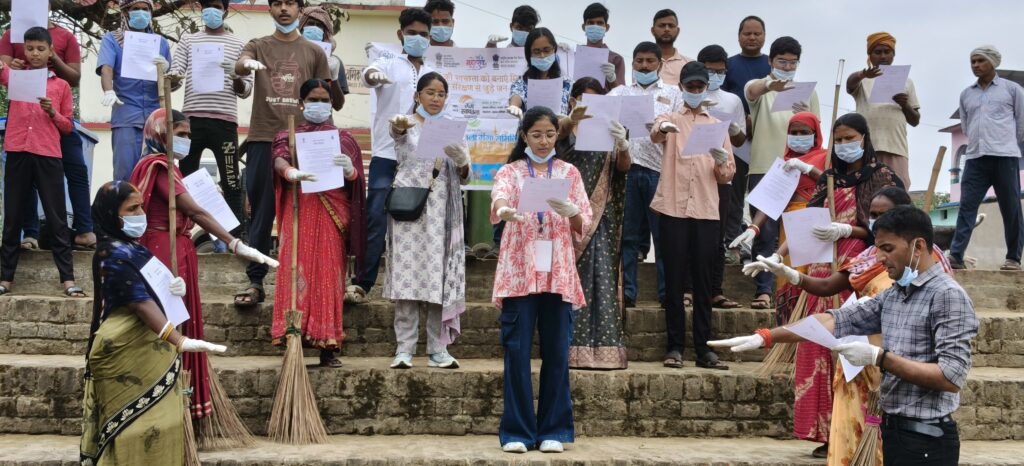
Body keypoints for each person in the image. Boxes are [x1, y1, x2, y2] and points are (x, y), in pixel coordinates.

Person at [714, 205, 978, 466]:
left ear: (918, 246)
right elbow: (835, 320)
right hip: (896, 433)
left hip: (927, 440)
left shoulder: (947, 296)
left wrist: (880, 357)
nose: (880, 259)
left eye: (888, 249)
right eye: (878, 249)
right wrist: (766, 337)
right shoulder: (897, 293)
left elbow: (951, 376)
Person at [742, 113, 903, 457]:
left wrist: (849, 231)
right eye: (839, 139)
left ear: (864, 137)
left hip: (860, 269)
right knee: (817, 346)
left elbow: (889, 227)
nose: (845, 145)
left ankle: (856, 426)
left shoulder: (881, 177)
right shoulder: (830, 176)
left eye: (850, 138)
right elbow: (805, 221)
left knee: (849, 351)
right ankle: (825, 431)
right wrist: (775, 257)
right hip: (821, 268)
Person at [128, 107, 275, 436]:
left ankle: (184, 408)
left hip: (180, 248)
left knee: (184, 320)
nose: (187, 141)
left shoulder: (174, 169)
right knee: (170, 322)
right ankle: (163, 407)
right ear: (161, 133)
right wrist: (234, 243)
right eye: (180, 134)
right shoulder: (157, 166)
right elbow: (193, 210)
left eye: (189, 135)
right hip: (161, 250)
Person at [80, 180, 227, 466]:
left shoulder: (135, 249)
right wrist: (179, 340)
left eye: (141, 207)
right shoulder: (110, 253)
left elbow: (153, 291)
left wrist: (173, 288)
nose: (140, 214)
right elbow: (139, 302)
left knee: (160, 425)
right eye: (132, 208)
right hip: (124, 351)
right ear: (111, 214)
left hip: (150, 351)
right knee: (130, 430)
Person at [492, 106, 592, 454]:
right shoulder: (511, 170)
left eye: (550, 134)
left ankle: (555, 430)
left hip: (558, 272)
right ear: (524, 137)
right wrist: (505, 209)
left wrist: (573, 213)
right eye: (536, 134)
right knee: (517, 352)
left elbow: (585, 223)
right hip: (520, 272)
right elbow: (500, 195)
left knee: (557, 353)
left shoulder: (569, 173)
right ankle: (517, 431)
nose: (543, 140)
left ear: (557, 136)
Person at [232, 0, 332, 307]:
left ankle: (305, 284)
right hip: (264, 136)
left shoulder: (314, 51)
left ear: (299, 10)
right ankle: (255, 281)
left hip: (305, 139)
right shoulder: (258, 45)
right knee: (262, 213)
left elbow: (324, 96)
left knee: (304, 211)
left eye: (290, 3)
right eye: (277, 3)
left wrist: (327, 139)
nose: (284, 9)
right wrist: (245, 66)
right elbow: (240, 62)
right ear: (271, 9)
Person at [269, 79, 365, 368]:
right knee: (294, 273)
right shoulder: (288, 135)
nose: (319, 104)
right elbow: (277, 160)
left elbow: (355, 180)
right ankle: (292, 341)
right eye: (313, 99)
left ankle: (328, 346)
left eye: (324, 100)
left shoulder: (344, 138)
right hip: (299, 211)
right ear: (302, 103)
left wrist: (349, 170)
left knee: (328, 277)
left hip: (332, 215)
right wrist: (290, 173)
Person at [651, 62, 735, 370]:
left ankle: (703, 348)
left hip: (705, 210)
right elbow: (655, 133)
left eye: (700, 87)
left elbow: (725, 177)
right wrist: (663, 129)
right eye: (691, 87)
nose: (695, 91)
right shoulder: (670, 118)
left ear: (705, 88)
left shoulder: (716, 125)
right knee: (673, 280)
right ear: (682, 87)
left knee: (702, 283)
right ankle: (674, 346)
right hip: (673, 208)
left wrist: (722, 161)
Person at [384, 73, 469, 369]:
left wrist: (461, 160)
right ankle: (404, 348)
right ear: (418, 95)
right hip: (409, 209)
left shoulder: (452, 129)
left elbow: (466, 175)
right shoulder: (406, 122)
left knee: (437, 281)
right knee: (408, 281)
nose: (435, 98)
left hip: (441, 213)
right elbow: (396, 133)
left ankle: (437, 349)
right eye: (430, 92)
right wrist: (398, 125)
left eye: (441, 93)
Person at [350, 7, 434, 304]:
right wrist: (373, 74)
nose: (418, 39)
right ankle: (363, 282)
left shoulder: (433, 73)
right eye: (412, 33)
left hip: (420, 157)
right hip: (387, 154)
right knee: (376, 216)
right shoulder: (388, 61)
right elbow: (370, 75)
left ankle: (418, 287)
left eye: (424, 34)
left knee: (421, 218)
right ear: (401, 35)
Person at [0, 27, 82, 298]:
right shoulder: (14, 77)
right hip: (17, 151)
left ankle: (68, 280)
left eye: (40, 49)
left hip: (48, 154)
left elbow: (68, 126)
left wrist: (53, 112)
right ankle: (5, 279)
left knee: (57, 217)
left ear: (50, 52)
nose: (35, 54)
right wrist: (6, 61)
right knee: (12, 217)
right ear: (24, 50)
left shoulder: (60, 85)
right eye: (30, 48)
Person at [559, 77, 631, 369]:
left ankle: (603, 349)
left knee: (600, 277)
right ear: (574, 100)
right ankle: (563, 346)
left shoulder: (610, 127)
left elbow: (623, 168)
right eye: (584, 99)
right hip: (564, 212)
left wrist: (623, 145)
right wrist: (569, 121)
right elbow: (552, 150)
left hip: (600, 215)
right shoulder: (561, 129)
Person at [743, 35, 820, 310]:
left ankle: (798, 291)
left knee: (799, 230)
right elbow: (750, 91)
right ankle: (764, 290)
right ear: (770, 61)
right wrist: (769, 84)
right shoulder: (763, 91)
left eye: (792, 62)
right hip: (765, 166)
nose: (787, 67)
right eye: (782, 61)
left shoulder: (807, 92)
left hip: (800, 169)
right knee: (764, 232)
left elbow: (818, 132)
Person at [731, 111, 827, 323]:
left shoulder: (826, 157)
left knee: (813, 278)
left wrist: (808, 169)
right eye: (794, 132)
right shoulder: (783, 163)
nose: (799, 136)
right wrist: (753, 228)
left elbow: (832, 184)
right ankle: (790, 332)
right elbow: (770, 201)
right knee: (789, 276)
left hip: (816, 223)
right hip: (790, 226)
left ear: (815, 134)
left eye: (804, 132)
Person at [168, 0, 253, 236]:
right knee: (184, 179)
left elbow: (245, 90)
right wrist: (169, 75)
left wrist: (236, 74)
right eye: (206, 5)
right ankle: (182, 231)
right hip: (191, 122)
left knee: (231, 181)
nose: (211, 10)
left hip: (225, 121)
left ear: (225, 9)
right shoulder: (188, 40)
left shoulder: (238, 44)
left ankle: (235, 236)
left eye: (216, 5)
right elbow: (176, 78)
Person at [609, 41, 680, 308]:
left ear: (660, 64)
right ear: (633, 63)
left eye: (650, 61)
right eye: (639, 61)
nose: (644, 66)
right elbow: (604, 122)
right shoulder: (619, 93)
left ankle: (666, 295)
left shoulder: (674, 94)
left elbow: (681, 130)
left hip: (659, 173)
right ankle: (628, 293)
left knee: (662, 237)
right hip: (627, 171)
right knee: (627, 237)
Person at [950, 45, 1024, 271]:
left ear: (993, 62)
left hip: (1004, 156)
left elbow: (1021, 124)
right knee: (967, 206)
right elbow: (965, 125)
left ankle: (1013, 258)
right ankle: (956, 255)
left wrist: (1006, 143)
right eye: (972, 61)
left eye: (980, 61)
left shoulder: (1012, 89)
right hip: (975, 158)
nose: (975, 66)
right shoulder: (966, 94)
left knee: (1011, 207)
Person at [686, 44, 747, 310]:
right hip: (694, 175)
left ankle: (716, 290)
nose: (714, 76)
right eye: (709, 71)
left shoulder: (732, 100)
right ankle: (688, 289)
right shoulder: (685, 100)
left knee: (718, 236)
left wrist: (732, 128)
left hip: (722, 175)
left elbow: (740, 138)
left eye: (720, 71)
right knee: (690, 236)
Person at [97, 0, 174, 181]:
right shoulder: (112, 39)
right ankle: (124, 209)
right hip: (126, 111)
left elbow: (170, 81)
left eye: (145, 9)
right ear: (125, 12)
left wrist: (166, 69)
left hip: (156, 115)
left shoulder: (161, 43)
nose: (141, 13)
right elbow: (106, 68)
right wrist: (108, 91)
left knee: (157, 172)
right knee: (125, 171)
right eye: (135, 9)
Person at [721, 16, 771, 262]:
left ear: (764, 36)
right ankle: (732, 246)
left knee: (761, 198)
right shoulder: (729, 65)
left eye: (757, 33)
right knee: (734, 195)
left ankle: (761, 249)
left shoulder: (772, 65)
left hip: (766, 141)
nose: (752, 38)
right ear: (739, 36)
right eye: (747, 33)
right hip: (736, 140)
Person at [847, 32, 920, 187]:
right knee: (866, 190)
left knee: (897, 191)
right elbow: (849, 85)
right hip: (866, 147)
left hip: (896, 147)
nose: (883, 56)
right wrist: (862, 74)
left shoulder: (906, 82)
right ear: (870, 55)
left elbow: (915, 120)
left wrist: (904, 104)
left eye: (887, 52)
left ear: (893, 55)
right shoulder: (862, 79)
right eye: (878, 52)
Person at [508, 27, 572, 117]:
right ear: (529, 54)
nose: (542, 55)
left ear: (554, 49)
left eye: (546, 50)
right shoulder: (521, 82)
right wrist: (514, 106)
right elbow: (516, 98)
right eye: (536, 51)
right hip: (531, 131)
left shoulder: (567, 83)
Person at [299, 6, 348, 109]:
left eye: (319, 25)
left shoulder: (334, 62)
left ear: (324, 31)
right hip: (293, 120)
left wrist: (333, 77)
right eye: (311, 23)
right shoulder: (291, 55)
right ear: (302, 27)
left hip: (323, 121)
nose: (315, 28)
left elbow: (338, 105)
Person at [580, 2, 624, 92]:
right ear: (584, 27)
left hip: (604, 105)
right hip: (577, 104)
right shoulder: (573, 55)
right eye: (591, 23)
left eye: (600, 23)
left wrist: (612, 79)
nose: (595, 26)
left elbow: (621, 95)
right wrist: (558, 51)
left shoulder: (616, 59)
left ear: (606, 27)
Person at [650, 9, 691, 86]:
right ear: (653, 30)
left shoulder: (689, 64)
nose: (666, 29)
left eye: (671, 26)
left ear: (678, 31)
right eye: (662, 25)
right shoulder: (643, 63)